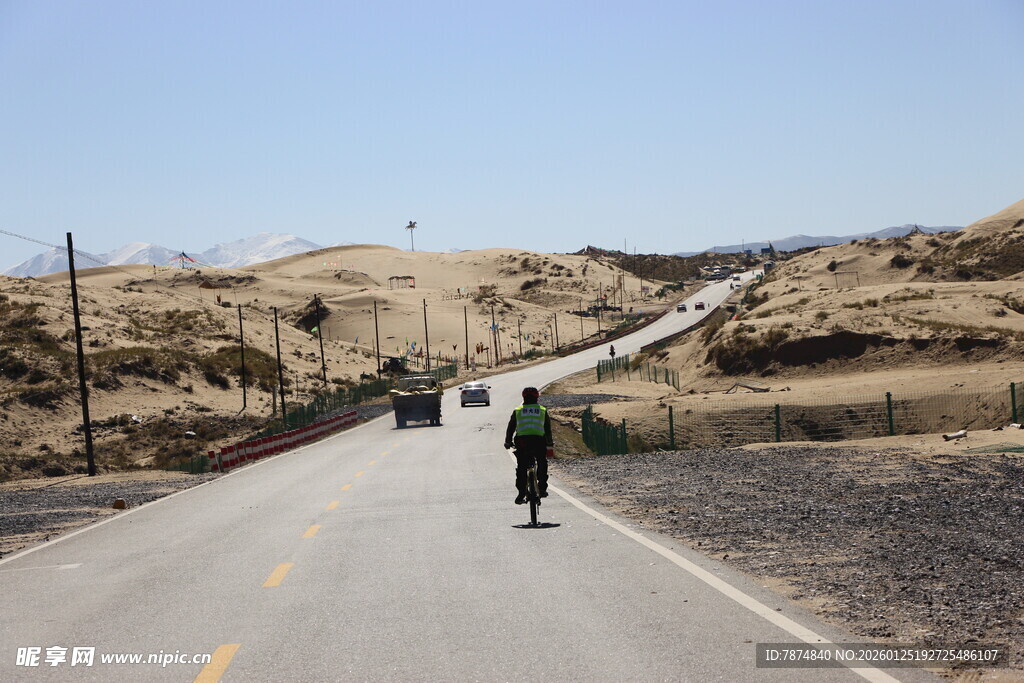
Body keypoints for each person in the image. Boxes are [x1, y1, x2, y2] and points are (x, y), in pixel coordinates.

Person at [504, 386, 554, 505]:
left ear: (523, 397)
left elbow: (511, 428)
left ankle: (521, 493)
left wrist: (508, 441)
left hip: (522, 442)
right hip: (538, 441)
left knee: (522, 466)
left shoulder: (518, 410)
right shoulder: (542, 410)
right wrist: (550, 443)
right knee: (542, 462)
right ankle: (542, 488)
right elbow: (547, 429)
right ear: (537, 397)